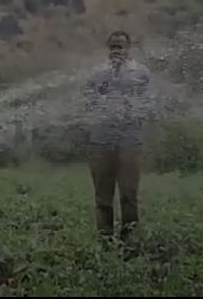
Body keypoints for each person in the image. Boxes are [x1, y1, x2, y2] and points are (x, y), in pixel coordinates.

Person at [83, 31, 153, 244]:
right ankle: (105, 242)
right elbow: (87, 101)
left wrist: (132, 111)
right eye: (113, 47)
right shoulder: (97, 74)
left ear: (128, 48)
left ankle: (130, 243)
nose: (116, 51)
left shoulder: (140, 73)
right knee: (103, 198)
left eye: (120, 47)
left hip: (129, 141)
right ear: (108, 49)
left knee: (128, 196)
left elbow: (149, 103)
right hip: (101, 141)